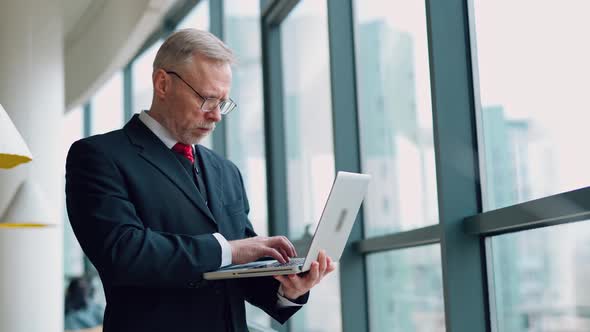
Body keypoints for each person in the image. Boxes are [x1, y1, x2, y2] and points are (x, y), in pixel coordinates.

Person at [65, 28, 335, 332]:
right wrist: (229, 250)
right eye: (207, 99)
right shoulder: (98, 157)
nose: (216, 115)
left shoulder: (226, 171)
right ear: (163, 83)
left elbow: (241, 272)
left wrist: (289, 290)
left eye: (223, 102)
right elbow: (124, 253)